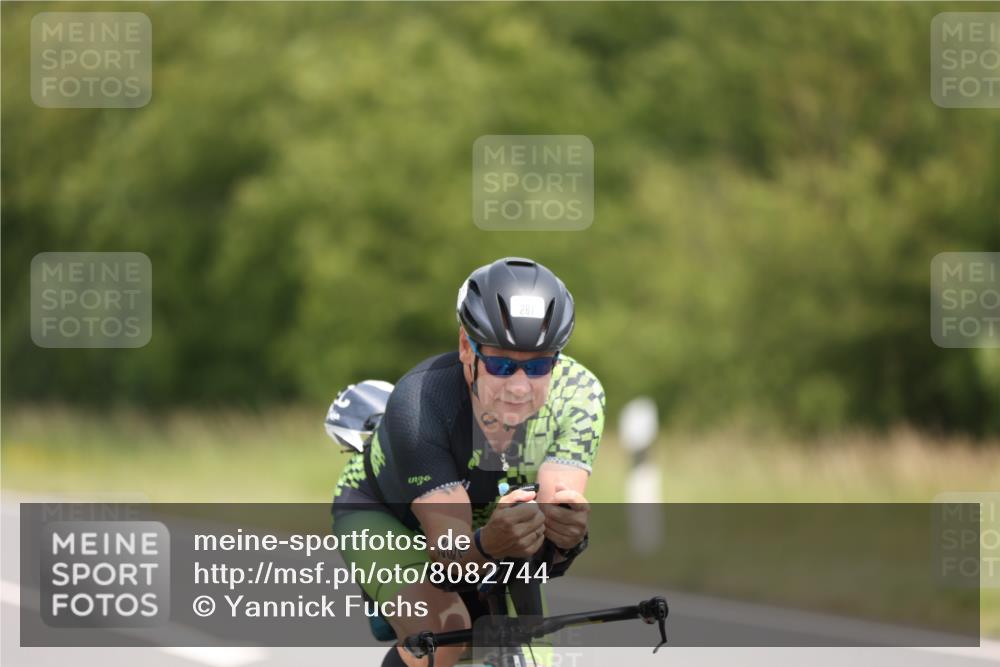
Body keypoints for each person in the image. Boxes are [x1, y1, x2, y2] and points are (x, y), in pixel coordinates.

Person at [331, 257, 606, 667]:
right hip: (384, 513)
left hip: (485, 517)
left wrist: (566, 538)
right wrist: (490, 544)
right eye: (500, 364)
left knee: (534, 653)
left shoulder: (580, 397)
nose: (518, 386)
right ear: (466, 348)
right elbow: (450, 560)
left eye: (538, 366)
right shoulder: (419, 403)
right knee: (442, 633)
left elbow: (551, 532)